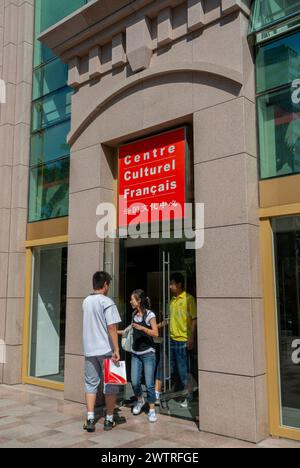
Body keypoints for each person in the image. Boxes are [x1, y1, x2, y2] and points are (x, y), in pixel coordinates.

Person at [83, 271, 126, 433]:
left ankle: (90, 418)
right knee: (110, 385)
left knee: (90, 383)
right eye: (109, 283)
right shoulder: (107, 302)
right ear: (106, 284)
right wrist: (116, 349)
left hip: (89, 350)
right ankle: (108, 419)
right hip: (106, 350)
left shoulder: (86, 301)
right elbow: (112, 327)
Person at [130, 290, 159, 423]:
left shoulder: (149, 315)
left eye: (133, 300)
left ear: (139, 301)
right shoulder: (133, 314)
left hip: (148, 353)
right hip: (136, 353)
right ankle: (140, 400)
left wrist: (143, 329)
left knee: (149, 384)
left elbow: (155, 333)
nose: (131, 302)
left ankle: (152, 410)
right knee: (135, 381)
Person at [169, 273, 197, 407]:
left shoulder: (188, 299)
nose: (170, 286)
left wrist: (191, 338)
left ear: (179, 284)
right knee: (176, 370)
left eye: (172, 284)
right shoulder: (172, 301)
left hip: (183, 340)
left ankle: (190, 395)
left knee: (184, 370)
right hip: (172, 340)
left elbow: (194, 319)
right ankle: (187, 393)